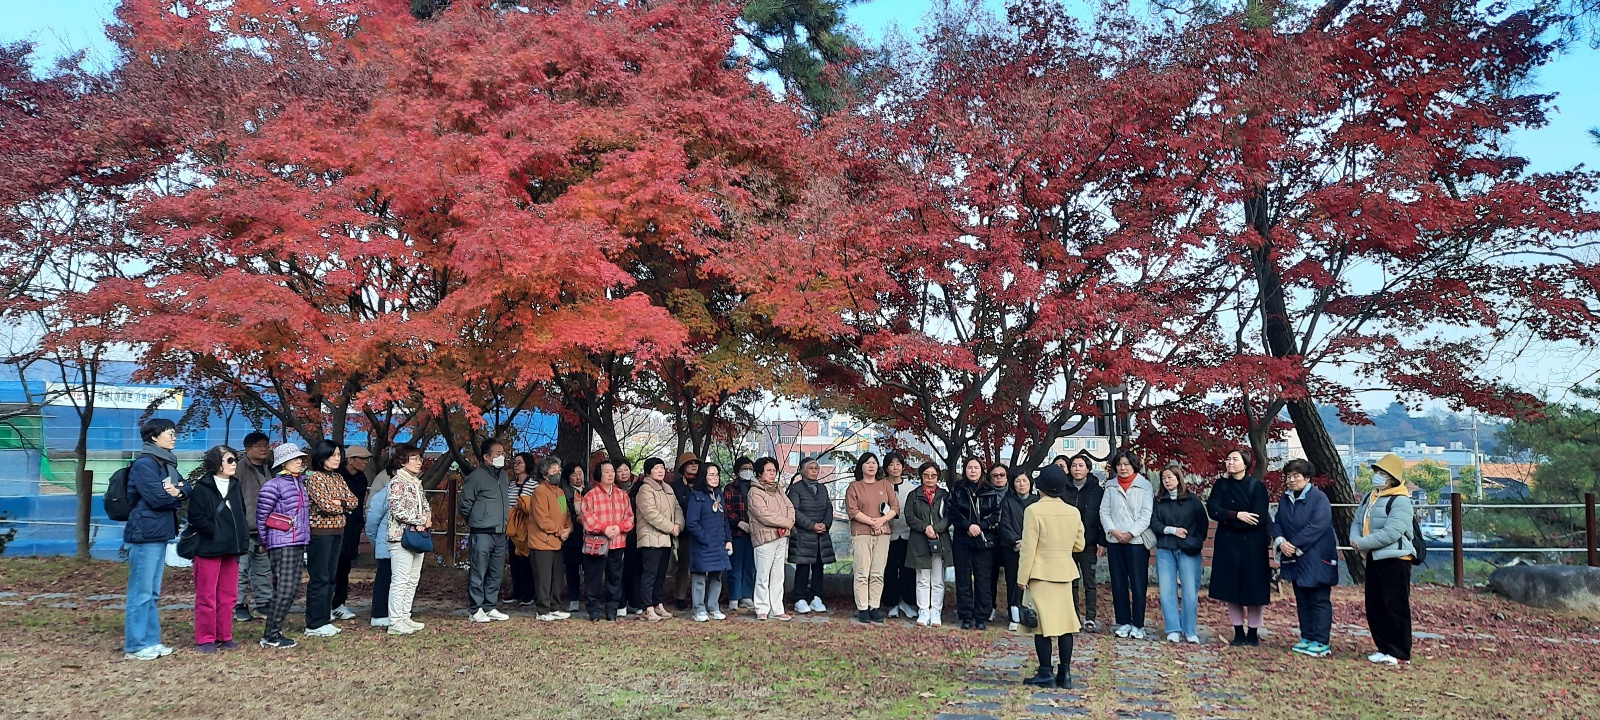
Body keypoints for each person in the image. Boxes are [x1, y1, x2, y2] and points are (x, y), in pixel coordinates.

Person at [121, 418, 191, 660]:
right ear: (153, 437)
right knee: (140, 593)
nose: (173, 437)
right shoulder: (145, 464)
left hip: (159, 533)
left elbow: (186, 487)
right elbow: (157, 498)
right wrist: (174, 496)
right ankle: (135, 645)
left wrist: (178, 492)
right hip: (144, 534)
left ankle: (150, 641)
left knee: (151, 592)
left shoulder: (165, 463)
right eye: (169, 433)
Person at [1019, 465, 1086, 689]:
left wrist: (1022, 577)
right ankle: (1065, 673)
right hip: (1064, 570)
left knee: (1041, 626)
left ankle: (1045, 672)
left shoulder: (1033, 511)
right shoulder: (1073, 512)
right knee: (1066, 624)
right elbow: (1080, 545)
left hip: (1040, 572)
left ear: (1040, 487)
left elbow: (1028, 547)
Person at [1351, 454, 1416, 665]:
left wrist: (1363, 543)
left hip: (1396, 558)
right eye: (1377, 472)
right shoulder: (1369, 497)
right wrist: (1354, 539)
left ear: (1393, 477)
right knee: (1375, 604)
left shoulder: (1401, 500)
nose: (1378, 477)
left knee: (1395, 606)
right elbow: (1356, 521)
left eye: (1383, 473)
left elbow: (1392, 532)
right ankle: (1383, 646)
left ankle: (1399, 651)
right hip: (1374, 557)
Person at [186, 444, 248, 654]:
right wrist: (216, 532)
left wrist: (240, 538)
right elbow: (196, 517)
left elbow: (241, 513)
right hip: (208, 548)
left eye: (235, 460)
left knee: (228, 595)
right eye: (230, 460)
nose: (234, 464)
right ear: (216, 463)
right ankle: (205, 638)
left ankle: (225, 635)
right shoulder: (202, 487)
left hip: (232, 548)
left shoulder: (235, 485)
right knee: (206, 595)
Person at [1207, 448, 1272, 647]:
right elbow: (1213, 509)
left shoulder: (1256, 486)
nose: (1230, 462)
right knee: (1230, 589)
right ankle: (1237, 631)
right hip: (1228, 544)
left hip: (1253, 544)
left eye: (1234, 459)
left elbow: (1259, 516)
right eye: (1228, 459)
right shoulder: (1221, 485)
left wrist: (1234, 518)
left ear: (1245, 463)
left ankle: (1253, 632)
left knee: (1254, 590)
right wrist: (1236, 515)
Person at [1273, 458, 1338, 658]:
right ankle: (1307, 637)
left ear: (1307, 478)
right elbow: (1277, 523)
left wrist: (1294, 544)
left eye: (1296, 476)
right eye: (1288, 476)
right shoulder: (1285, 498)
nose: (1291, 480)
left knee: (1318, 599)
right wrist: (1281, 541)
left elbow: (1318, 525)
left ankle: (1321, 641)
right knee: (1302, 599)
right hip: (1294, 557)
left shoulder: (1319, 498)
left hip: (1317, 556)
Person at [257, 442, 311, 648]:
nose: (299, 461)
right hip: (282, 542)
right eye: (295, 458)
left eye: (300, 458)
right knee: (286, 589)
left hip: (297, 540)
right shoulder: (273, 485)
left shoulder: (300, 483)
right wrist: (266, 542)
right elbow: (262, 517)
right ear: (283, 462)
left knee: (288, 587)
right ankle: (270, 634)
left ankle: (272, 632)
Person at [304, 440, 359, 637]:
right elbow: (326, 506)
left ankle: (324, 618)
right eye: (333, 455)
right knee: (320, 577)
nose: (337, 458)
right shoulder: (314, 478)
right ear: (322, 457)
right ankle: (314, 623)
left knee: (331, 577)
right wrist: (340, 505)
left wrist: (340, 503)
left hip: (338, 532)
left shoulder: (338, 478)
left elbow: (353, 501)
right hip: (320, 534)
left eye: (338, 455)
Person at [1100, 450, 1153, 639]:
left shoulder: (1144, 486)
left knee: (1138, 584)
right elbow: (1104, 512)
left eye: (1126, 464)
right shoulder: (1110, 486)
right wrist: (1114, 532)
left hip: (1136, 542)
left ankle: (1138, 624)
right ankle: (1123, 622)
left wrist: (1130, 533)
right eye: (1119, 464)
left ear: (1134, 465)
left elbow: (1146, 515)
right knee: (1118, 582)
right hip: (1114, 541)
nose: (1123, 468)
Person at [1152, 463, 1207, 644]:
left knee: (1190, 591)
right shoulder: (1159, 501)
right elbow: (1155, 524)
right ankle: (1173, 629)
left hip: (1188, 549)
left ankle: (1189, 630)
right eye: (1164, 478)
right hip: (1165, 548)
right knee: (1167, 590)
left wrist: (1194, 541)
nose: (1167, 481)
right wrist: (1172, 530)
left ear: (1179, 478)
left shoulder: (1193, 500)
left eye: (1170, 477)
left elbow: (1202, 524)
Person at [459, 439, 511, 623]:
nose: (502, 457)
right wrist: (477, 521)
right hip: (481, 531)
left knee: (496, 572)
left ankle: (490, 606)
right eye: (498, 454)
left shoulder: (503, 476)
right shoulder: (475, 477)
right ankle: (475, 609)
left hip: (500, 531)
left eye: (502, 453)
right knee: (478, 571)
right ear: (486, 457)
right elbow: (464, 504)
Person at [846, 452, 899, 624]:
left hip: (883, 533)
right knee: (862, 572)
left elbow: (894, 506)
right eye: (867, 463)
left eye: (874, 463)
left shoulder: (884, 484)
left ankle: (874, 606)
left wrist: (882, 521)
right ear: (861, 466)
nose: (871, 466)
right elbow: (852, 511)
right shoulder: (854, 486)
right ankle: (862, 608)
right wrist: (872, 522)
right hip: (861, 533)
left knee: (877, 572)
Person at [384, 443, 431, 636]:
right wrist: (419, 519)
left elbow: (426, 506)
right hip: (400, 537)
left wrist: (426, 519)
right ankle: (395, 621)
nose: (419, 462)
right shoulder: (398, 482)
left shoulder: (415, 482)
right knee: (401, 580)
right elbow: (396, 509)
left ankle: (405, 616)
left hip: (417, 535)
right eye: (414, 458)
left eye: (419, 458)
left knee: (412, 579)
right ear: (402, 461)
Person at [950, 457, 1002, 630]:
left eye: (976, 468)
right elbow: (953, 511)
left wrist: (981, 526)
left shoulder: (989, 490)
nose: (973, 471)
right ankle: (965, 615)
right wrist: (967, 526)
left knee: (983, 578)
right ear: (964, 470)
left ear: (982, 471)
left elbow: (996, 514)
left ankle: (981, 616)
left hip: (984, 539)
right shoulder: (957, 489)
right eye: (969, 468)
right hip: (962, 538)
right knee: (963, 578)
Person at [581, 458, 634, 621]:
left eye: (612, 471)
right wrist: (604, 528)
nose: (611, 475)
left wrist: (618, 528)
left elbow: (629, 517)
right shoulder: (591, 496)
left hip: (617, 543)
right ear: (599, 474)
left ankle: (612, 609)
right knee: (593, 578)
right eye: (607, 471)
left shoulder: (622, 495)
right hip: (596, 543)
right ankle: (594, 610)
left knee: (615, 578)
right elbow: (587, 518)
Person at [903, 462, 953, 627]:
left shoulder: (944, 495)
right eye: (926, 475)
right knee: (922, 578)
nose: (930, 478)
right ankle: (923, 610)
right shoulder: (914, 495)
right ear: (921, 476)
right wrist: (925, 527)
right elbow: (909, 517)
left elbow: (949, 516)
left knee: (937, 579)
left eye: (933, 475)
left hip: (940, 540)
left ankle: (936, 611)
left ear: (938, 477)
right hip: (919, 541)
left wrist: (936, 529)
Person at [747, 456, 796, 621]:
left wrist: (789, 521)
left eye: (774, 470)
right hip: (764, 537)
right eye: (768, 470)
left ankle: (777, 608)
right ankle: (761, 607)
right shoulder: (754, 491)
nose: (772, 473)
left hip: (781, 537)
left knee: (778, 574)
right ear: (759, 473)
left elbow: (789, 506)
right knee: (763, 574)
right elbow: (763, 514)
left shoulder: (778, 489)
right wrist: (786, 522)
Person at [521, 457, 570, 621]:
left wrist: (568, 528)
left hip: (558, 541)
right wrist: (559, 530)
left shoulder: (560, 492)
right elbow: (542, 520)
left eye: (558, 470)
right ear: (545, 474)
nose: (558, 473)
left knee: (557, 577)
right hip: (542, 542)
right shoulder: (539, 491)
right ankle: (542, 610)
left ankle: (555, 607)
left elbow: (566, 513)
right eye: (554, 470)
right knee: (543, 578)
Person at [1060, 454, 1105, 631]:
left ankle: (1090, 617)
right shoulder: (1063, 489)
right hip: (1066, 543)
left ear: (1088, 469)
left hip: (1089, 542)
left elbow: (1102, 517)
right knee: (1071, 581)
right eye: (1074, 466)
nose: (1077, 469)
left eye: (1081, 466)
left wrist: (1102, 541)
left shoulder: (1096, 490)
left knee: (1089, 581)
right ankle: (1073, 616)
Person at [232, 431, 274, 623]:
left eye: (266, 444)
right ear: (248, 449)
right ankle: (238, 605)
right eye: (259, 445)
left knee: (263, 569)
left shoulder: (270, 468)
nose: (264, 448)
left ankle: (263, 603)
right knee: (240, 569)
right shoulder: (239, 469)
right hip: (243, 526)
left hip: (266, 528)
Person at [635, 457, 684, 621]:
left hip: (666, 539)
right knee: (649, 574)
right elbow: (651, 514)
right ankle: (647, 607)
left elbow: (677, 508)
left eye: (662, 467)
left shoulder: (668, 489)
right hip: (650, 538)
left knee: (661, 574)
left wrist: (678, 525)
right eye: (656, 468)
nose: (661, 471)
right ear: (648, 471)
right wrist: (671, 528)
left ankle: (657, 604)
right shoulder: (645, 490)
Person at [787, 457, 835, 615]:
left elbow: (829, 508)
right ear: (802, 470)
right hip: (803, 534)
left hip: (821, 534)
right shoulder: (796, 489)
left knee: (819, 566)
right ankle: (799, 597)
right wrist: (811, 525)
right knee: (802, 566)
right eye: (811, 468)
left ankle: (815, 596)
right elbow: (794, 510)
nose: (815, 471)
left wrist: (825, 525)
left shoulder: (822, 488)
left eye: (816, 468)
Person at [330, 444, 372, 622]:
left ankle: (339, 603)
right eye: (362, 459)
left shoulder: (362, 479)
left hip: (353, 528)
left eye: (367, 460)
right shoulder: (337, 476)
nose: (365, 463)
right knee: (331, 566)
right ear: (351, 460)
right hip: (335, 526)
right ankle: (327, 604)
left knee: (345, 567)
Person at [686, 462, 732, 622]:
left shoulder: (718, 495)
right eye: (711, 475)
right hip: (702, 544)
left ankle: (713, 606)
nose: (715, 478)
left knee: (716, 575)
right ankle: (698, 609)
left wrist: (728, 540)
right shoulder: (696, 496)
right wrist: (705, 539)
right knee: (699, 577)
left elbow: (725, 520)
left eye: (717, 475)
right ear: (703, 477)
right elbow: (692, 522)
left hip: (719, 544)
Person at [997, 468, 1040, 631]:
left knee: (1034, 582)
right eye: (1017, 481)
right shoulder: (1007, 501)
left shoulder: (1037, 501)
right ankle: (1014, 616)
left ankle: (1033, 615)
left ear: (1030, 482)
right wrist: (1017, 541)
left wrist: (1030, 543)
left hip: (1035, 549)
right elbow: (1004, 525)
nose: (1021, 484)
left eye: (1024, 480)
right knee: (1013, 582)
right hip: (1013, 548)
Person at [881, 453, 918, 619]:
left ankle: (907, 602)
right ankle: (891, 603)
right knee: (888, 570)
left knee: (907, 571)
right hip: (886, 536)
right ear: (886, 467)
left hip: (908, 536)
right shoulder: (880, 486)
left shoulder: (911, 487)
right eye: (891, 464)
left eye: (898, 464)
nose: (895, 467)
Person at [724, 456, 758, 612]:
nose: (748, 471)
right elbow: (726, 510)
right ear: (738, 470)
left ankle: (746, 596)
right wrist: (739, 522)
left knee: (750, 566)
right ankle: (734, 597)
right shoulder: (730, 488)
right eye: (745, 468)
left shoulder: (756, 487)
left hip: (754, 533)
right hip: (736, 532)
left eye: (750, 468)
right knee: (735, 566)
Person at [504, 452, 537, 607]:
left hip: (526, 528)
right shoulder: (510, 485)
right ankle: (516, 592)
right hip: (512, 528)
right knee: (514, 561)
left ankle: (529, 593)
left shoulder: (534, 485)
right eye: (515, 463)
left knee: (527, 562)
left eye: (519, 463)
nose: (516, 466)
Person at [667, 452, 699, 611]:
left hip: (702, 532)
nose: (694, 465)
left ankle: (699, 597)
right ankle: (680, 596)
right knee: (683, 565)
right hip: (685, 531)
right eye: (690, 463)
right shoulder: (676, 487)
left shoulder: (703, 483)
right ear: (683, 467)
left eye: (696, 463)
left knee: (702, 565)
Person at [364, 462, 392, 628]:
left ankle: (394, 612)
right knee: (385, 577)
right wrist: (376, 541)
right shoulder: (386, 490)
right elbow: (372, 519)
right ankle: (379, 613)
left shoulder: (414, 487)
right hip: (386, 541)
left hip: (403, 544)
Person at [560, 462, 588, 612]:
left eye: (580, 473)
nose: (578, 477)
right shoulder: (562, 492)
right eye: (574, 474)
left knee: (590, 567)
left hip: (590, 532)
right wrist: (573, 519)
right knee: (572, 568)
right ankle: (574, 599)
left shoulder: (590, 490)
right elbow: (561, 511)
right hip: (572, 533)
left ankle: (590, 598)